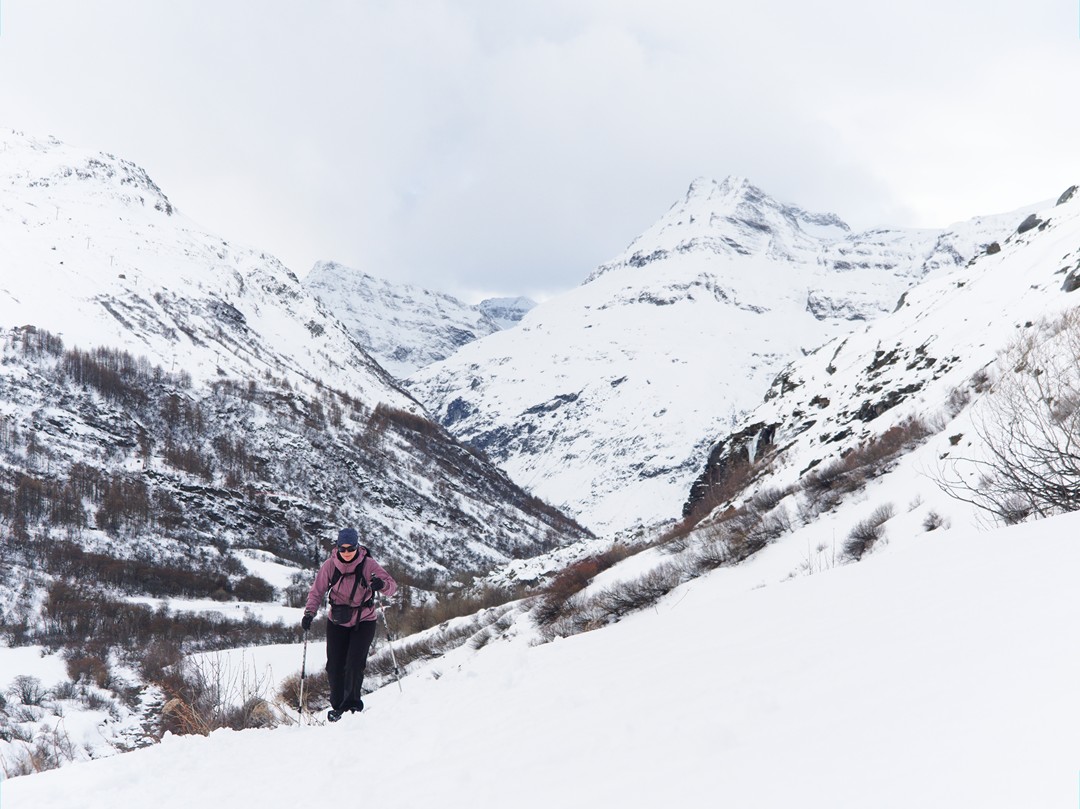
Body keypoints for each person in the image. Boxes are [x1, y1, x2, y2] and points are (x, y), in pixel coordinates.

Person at [302, 527, 397, 722]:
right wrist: (309, 613)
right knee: (334, 666)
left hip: (364, 619)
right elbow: (317, 591)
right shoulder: (330, 566)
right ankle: (337, 708)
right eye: (342, 548)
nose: (346, 552)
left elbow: (392, 587)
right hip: (337, 620)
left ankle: (352, 707)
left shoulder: (368, 564)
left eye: (350, 548)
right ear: (337, 548)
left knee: (354, 663)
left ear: (357, 547)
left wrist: (382, 585)